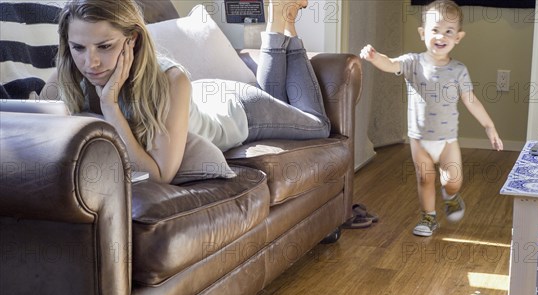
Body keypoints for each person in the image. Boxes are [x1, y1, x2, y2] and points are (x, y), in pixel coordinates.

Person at [40, 0, 329, 184]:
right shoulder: (64, 78)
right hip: (203, 99)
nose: (90, 63)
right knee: (278, 93)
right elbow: (33, 144)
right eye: (78, 47)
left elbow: (159, 176)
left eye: (105, 46)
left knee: (319, 126)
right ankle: (279, 24)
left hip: (242, 111)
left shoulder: (169, 81)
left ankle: (286, 27)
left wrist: (110, 105)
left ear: (133, 40)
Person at [360, 0, 503, 237]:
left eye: (448, 31)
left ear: (458, 37)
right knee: (425, 180)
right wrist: (375, 57)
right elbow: (390, 63)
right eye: (435, 30)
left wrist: (490, 127)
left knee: (453, 180)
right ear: (422, 33)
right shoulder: (412, 63)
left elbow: (471, 100)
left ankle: (451, 195)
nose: (441, 36)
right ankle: (428, 218)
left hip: (447, 140)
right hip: (419, 140)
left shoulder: (459, 70)